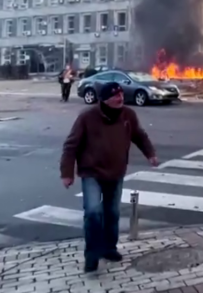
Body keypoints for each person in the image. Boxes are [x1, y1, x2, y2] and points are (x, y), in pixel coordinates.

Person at [60, 81, 159, 273]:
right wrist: (67, 173)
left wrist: (151, 154)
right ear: (104, 100)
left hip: (116, 171)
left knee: (112, 213)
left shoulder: (128, 115)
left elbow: (139, 135)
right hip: (92, 172)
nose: (120, 98)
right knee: (93, 212)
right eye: (115, 95)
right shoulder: (87, 117)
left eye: (121, 94)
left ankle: (109, 248)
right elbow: (71, 145)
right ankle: (92, 255)